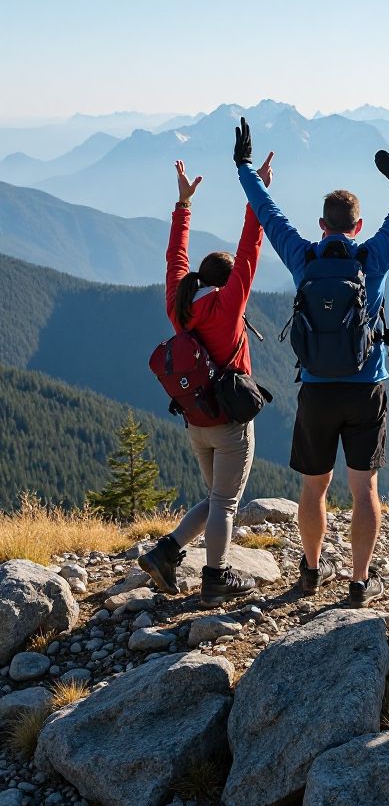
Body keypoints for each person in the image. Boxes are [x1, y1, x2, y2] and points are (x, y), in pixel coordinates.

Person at [234, 117, 389, 602]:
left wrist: (245, 168)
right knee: (365, 489)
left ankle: (310, 570)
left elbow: (267, 212)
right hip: (367, 388)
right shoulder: (373, 257)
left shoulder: (302, 257)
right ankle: (359, 582)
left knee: (314, 488)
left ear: (322, 226)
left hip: (316, 388)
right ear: (357, 226)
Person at [138, 153, 272, 607]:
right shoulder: (228, 306)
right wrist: (257, 193)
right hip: (230, 422)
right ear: (229, 282)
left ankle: (166, 552)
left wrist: (183, 206)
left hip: (196, 420)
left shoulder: (180, 306)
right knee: (226, 503)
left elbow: (175, 259)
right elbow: (251, 247)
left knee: (217, 497)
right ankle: (216, 579)